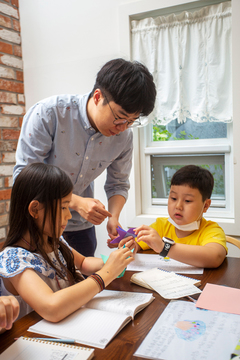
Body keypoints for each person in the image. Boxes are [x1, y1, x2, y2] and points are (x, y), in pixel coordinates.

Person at [13, 58, 156, 257]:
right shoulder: (49, 114)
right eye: (120, 117)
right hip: (38, 222)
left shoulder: (124, 137)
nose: (122, 127)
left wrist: (113, 217)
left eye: (131, 121)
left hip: (81, 228)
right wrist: (76, 202)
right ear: (98, 97)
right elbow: (24, 177)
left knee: (83, 280)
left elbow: (118, 183)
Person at [0, 163, 134, 322]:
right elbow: (51, 307)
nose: (69, 216)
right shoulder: (14, 259)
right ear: (35, 209)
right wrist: (106, 274)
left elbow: (83, 262)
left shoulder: (54, 241)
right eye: (63, 207)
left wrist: (112, 262)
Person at [120, 165, 227, 268]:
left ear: (206, 205)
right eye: (174, 198)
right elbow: (139, 244)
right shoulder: (161, 225)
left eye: (188, 201)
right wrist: (131, 246)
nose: (178, 206)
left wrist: (164, 247)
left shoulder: (211, 230)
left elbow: (215, 257)